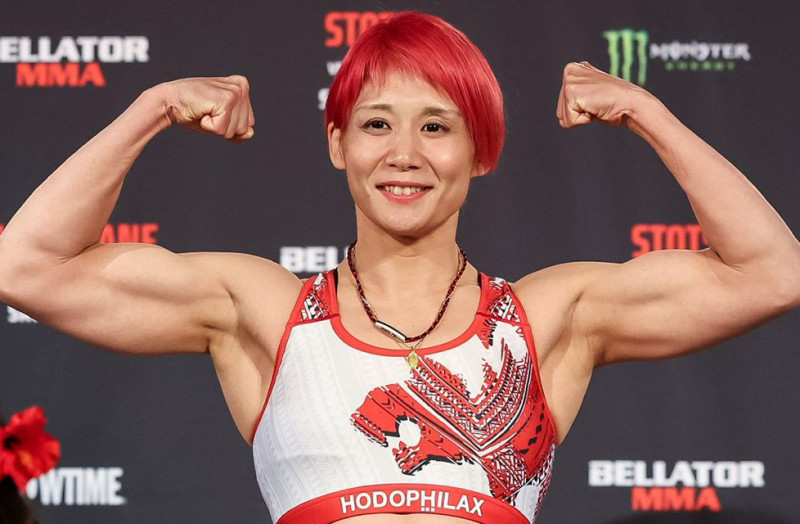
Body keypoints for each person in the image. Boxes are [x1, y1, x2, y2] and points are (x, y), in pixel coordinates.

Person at [0, 11, 798, 524]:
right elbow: (25, 267)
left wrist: (647, 112)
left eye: (437, 127)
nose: (405, 154)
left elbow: (773, 274)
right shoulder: (264, 310)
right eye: (377, 124)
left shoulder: (549, 317)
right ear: (338, 144)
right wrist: (152, 109)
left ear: (481, 151)